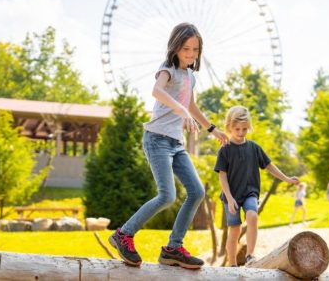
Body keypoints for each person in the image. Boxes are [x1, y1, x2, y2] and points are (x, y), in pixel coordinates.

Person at [109, 23, 229, 269]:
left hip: (176, 144)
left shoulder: (190, 77)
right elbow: (157, 91)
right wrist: (180, 108)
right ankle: (123, 234)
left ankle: (173, 248)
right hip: (156, 139)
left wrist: (212, 128)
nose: (191, 54)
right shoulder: (168, 70)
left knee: (197, 192)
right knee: (167, 195)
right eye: (186, 48)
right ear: (175, 47)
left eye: (195, 49)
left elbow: (192, 106)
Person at [214, 106, 300, 267]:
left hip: (249, 193)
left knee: (252, 216)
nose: (241, 132)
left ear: (249, 127)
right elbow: (222, 176)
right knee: (235, 230)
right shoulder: (225, 150)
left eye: (245, 129)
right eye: (237, 129)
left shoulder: (254, 148)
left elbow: (269, 166)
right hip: (230, 196)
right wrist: (230, 198)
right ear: (229, 127)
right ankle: (232, 264)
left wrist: (287, 179)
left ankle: (250, 255)